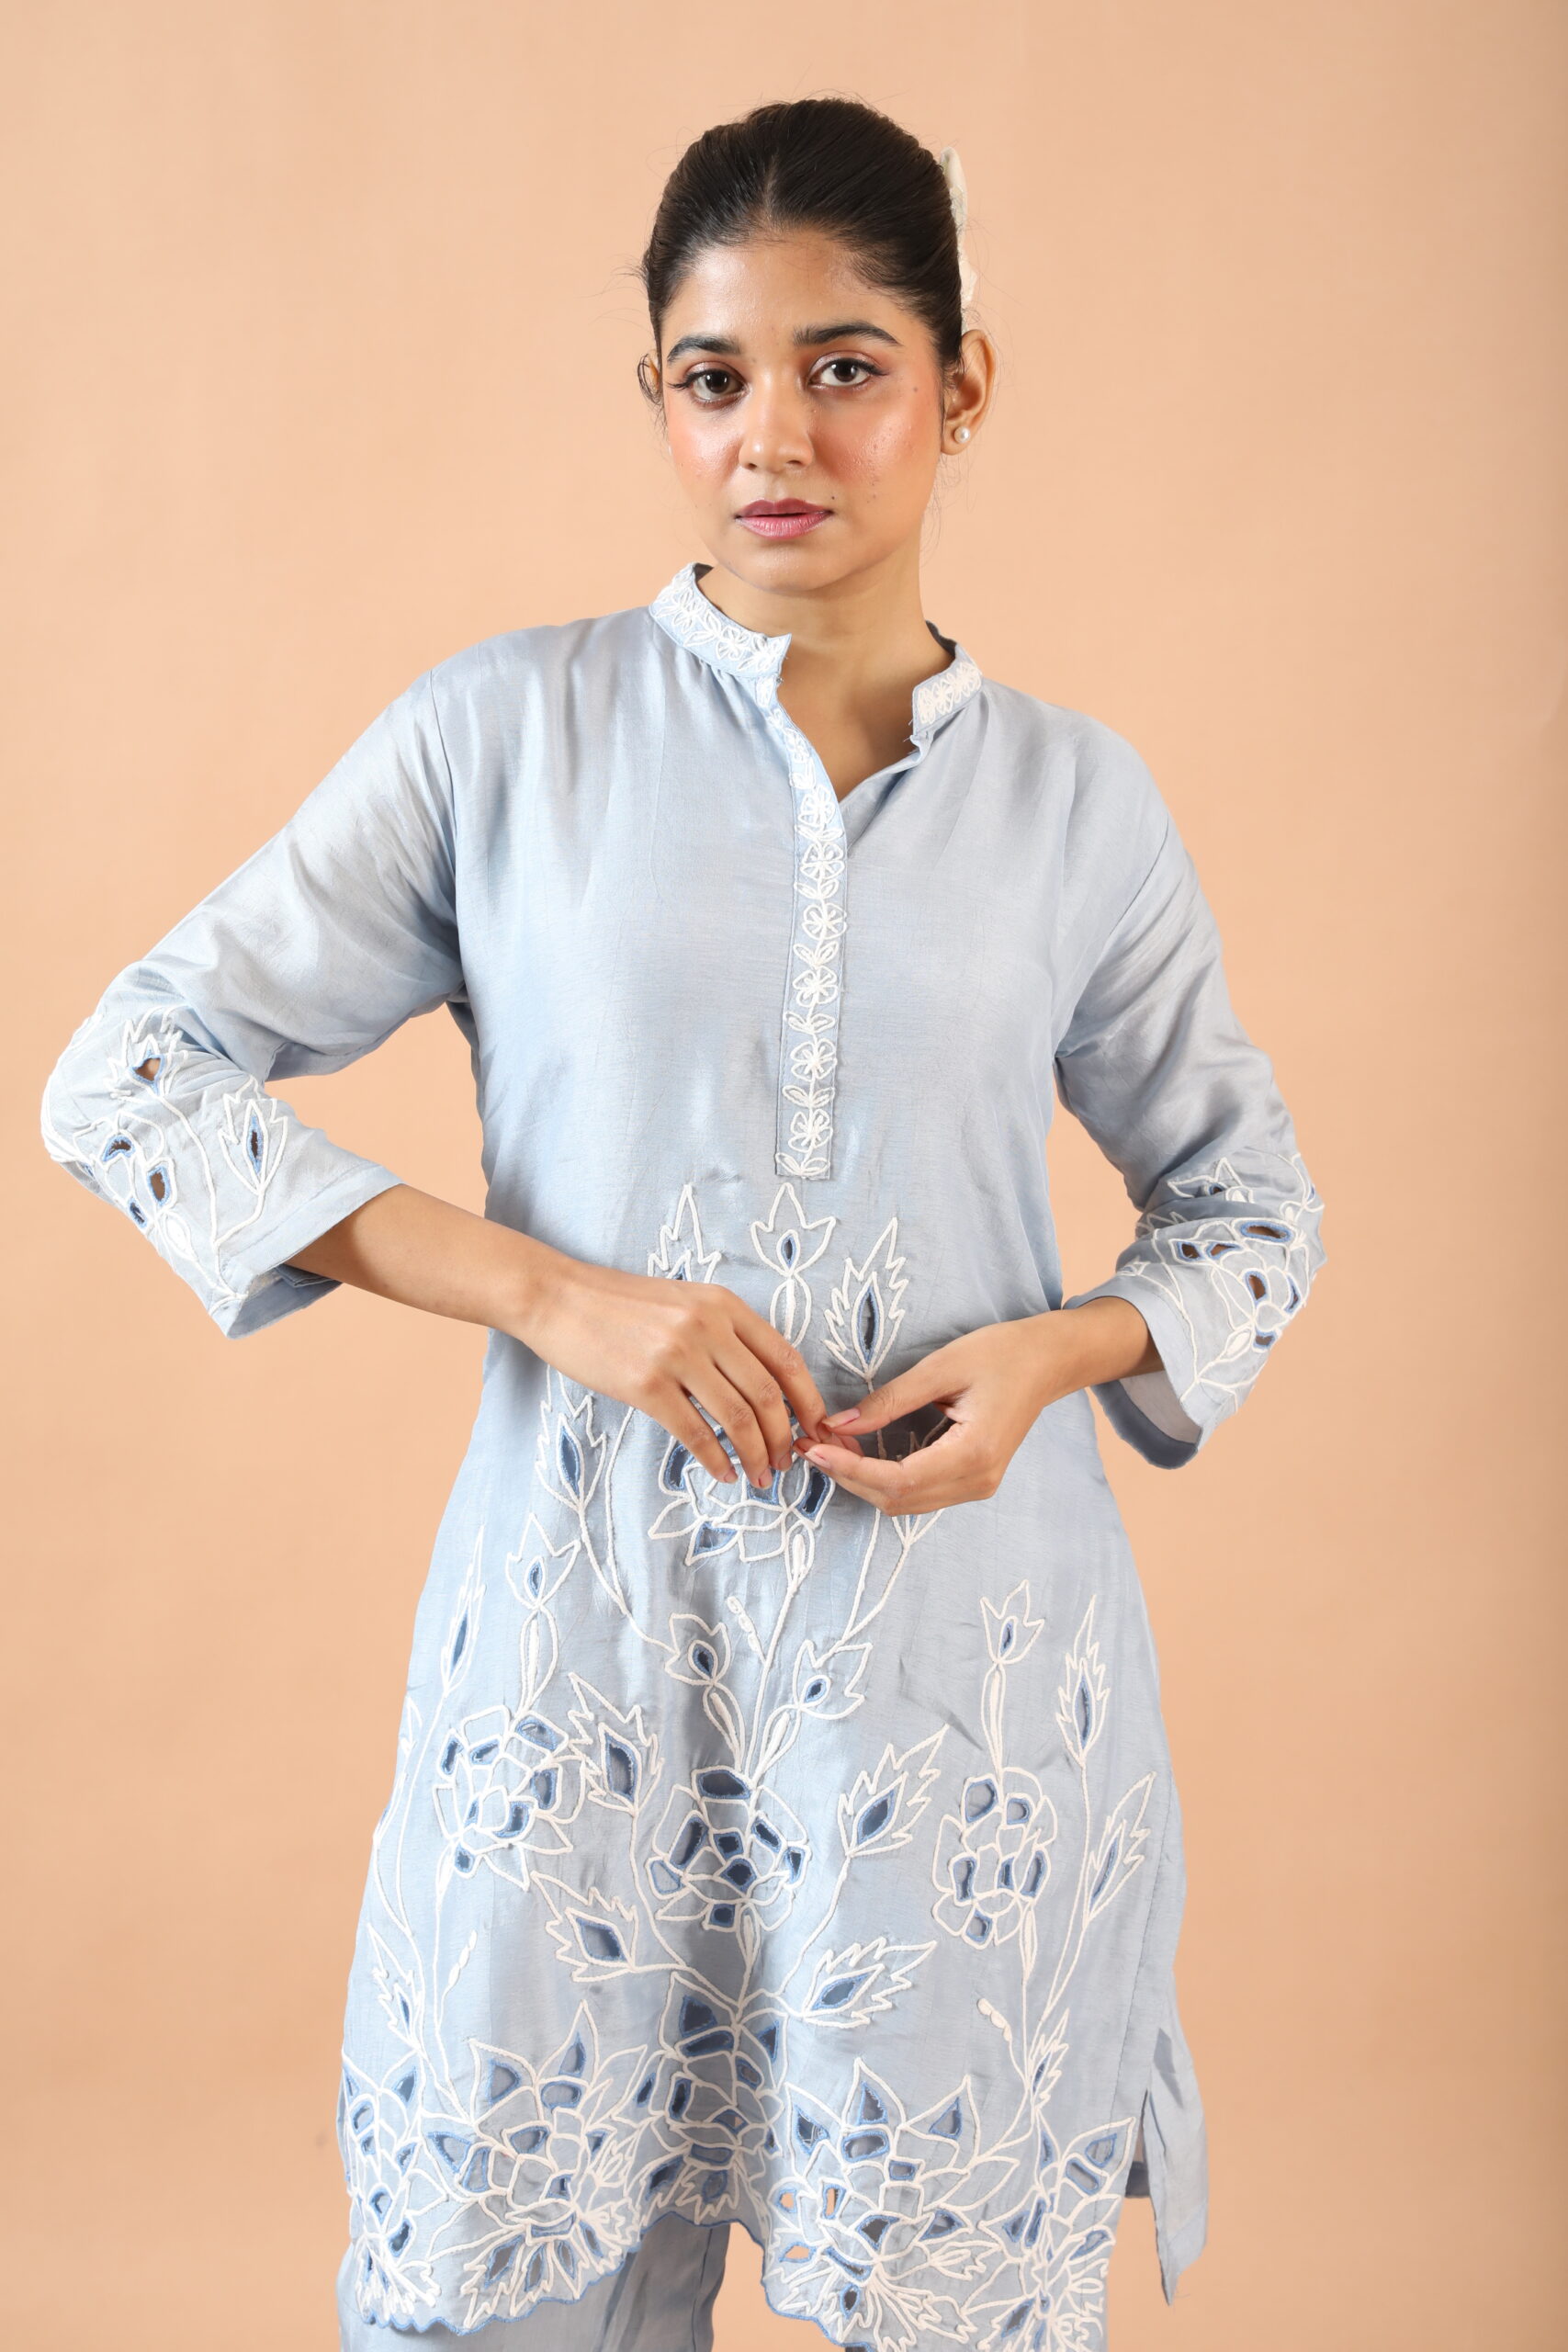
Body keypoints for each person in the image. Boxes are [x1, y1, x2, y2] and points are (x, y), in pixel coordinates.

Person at [39, 94, 1325, 2352]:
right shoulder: (502, 739)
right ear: (655, 392)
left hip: (951, 1704)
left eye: (843, 366)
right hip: (583, 1676)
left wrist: (1053, 1350)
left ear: (958, 386)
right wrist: (555, 1295)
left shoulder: (1075, 805)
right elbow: (128, 1074)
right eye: (713, 377)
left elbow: (1245, 1205)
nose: (773, 436)